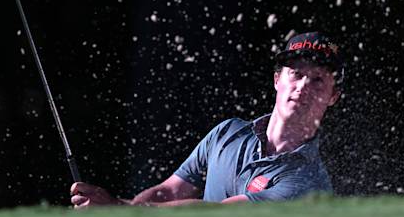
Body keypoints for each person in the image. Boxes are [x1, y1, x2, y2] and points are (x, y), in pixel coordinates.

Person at [70, 31, 344, 207]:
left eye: (318, 80)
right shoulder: (227, 133)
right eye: (296, 73)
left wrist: (118, 210)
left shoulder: (310, 187)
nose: (303, 86)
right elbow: (169, 191)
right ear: (277, 80)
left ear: (333, 97)